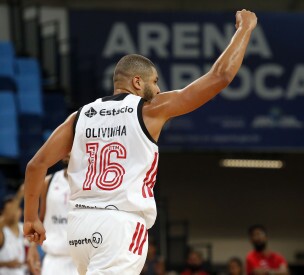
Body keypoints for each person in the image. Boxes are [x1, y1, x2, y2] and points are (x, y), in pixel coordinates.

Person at [23, 9, 258, 274]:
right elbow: (220, 77)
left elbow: (36, 165)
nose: (158, 89)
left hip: (78, 227)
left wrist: (31, 218)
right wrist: (244, 30)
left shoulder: (79, 117)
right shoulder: (149, 109)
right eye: (155, 82)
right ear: (137, 82)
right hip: (120, 225)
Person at [27, 155, 78, 275]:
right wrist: (32, 246)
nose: (68, 152)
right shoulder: (48, 181)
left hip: (82, 261)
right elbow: (42, 218)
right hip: (54, 261)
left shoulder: (92, 182)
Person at [0, 184, 27, 275]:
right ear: (3, 213)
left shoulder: (23, 227)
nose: (14, 213)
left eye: (16, 209)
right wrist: (6, 264)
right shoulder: (1, 230)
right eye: (10, 210)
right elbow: (9, 218)